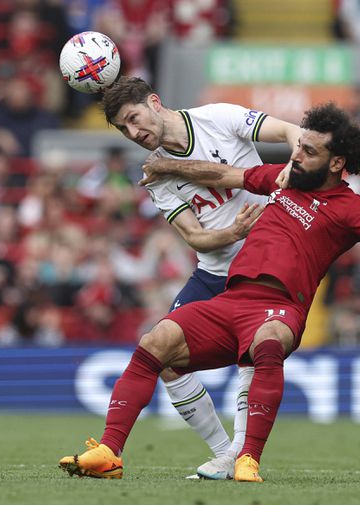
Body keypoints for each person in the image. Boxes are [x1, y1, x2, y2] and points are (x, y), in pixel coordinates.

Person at [58, 103, 360, 482]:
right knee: (155, 342)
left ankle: (248, 460)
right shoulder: (284, 181)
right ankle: (110, 452)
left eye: (309, 151)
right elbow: (225, 174)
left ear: (337, 163)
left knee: (266, 345)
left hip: (279, 308)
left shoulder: (352, 209)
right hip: (230, 300)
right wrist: (171, 167)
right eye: (298, 146)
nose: (296, 154)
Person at [96, 76, 301, 480]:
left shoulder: (218, 118)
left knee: (253, 357)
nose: (135, 133)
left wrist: (294, 165)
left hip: (265, 266)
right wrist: (233, 233)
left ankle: (243, 458)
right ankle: (225, 453)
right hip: (214, 271)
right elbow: (195, 237)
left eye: (135, 119)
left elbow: (290, 131)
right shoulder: (157, 175)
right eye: (124, 129)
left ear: (155, 102)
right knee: (163, 354)